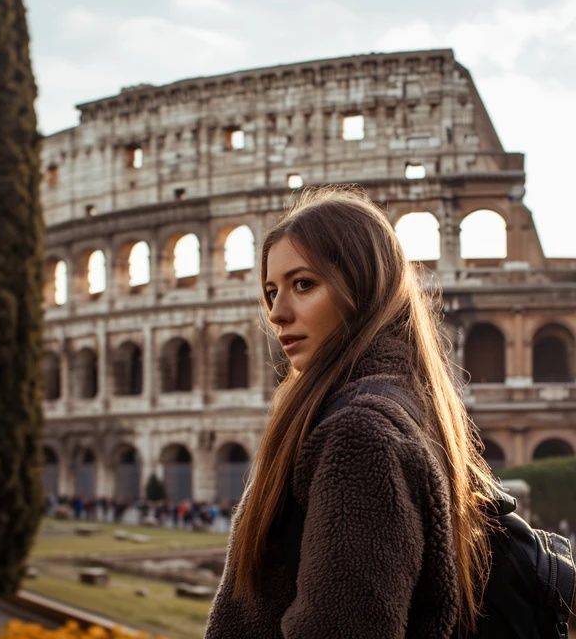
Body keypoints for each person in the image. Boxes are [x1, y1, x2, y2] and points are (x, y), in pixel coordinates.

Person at [204, 187, 497, 638]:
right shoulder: (400, 408)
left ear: (362, 286)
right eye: (270, 291)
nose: (277, 313)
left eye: (304, 284)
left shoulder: (361, 434)